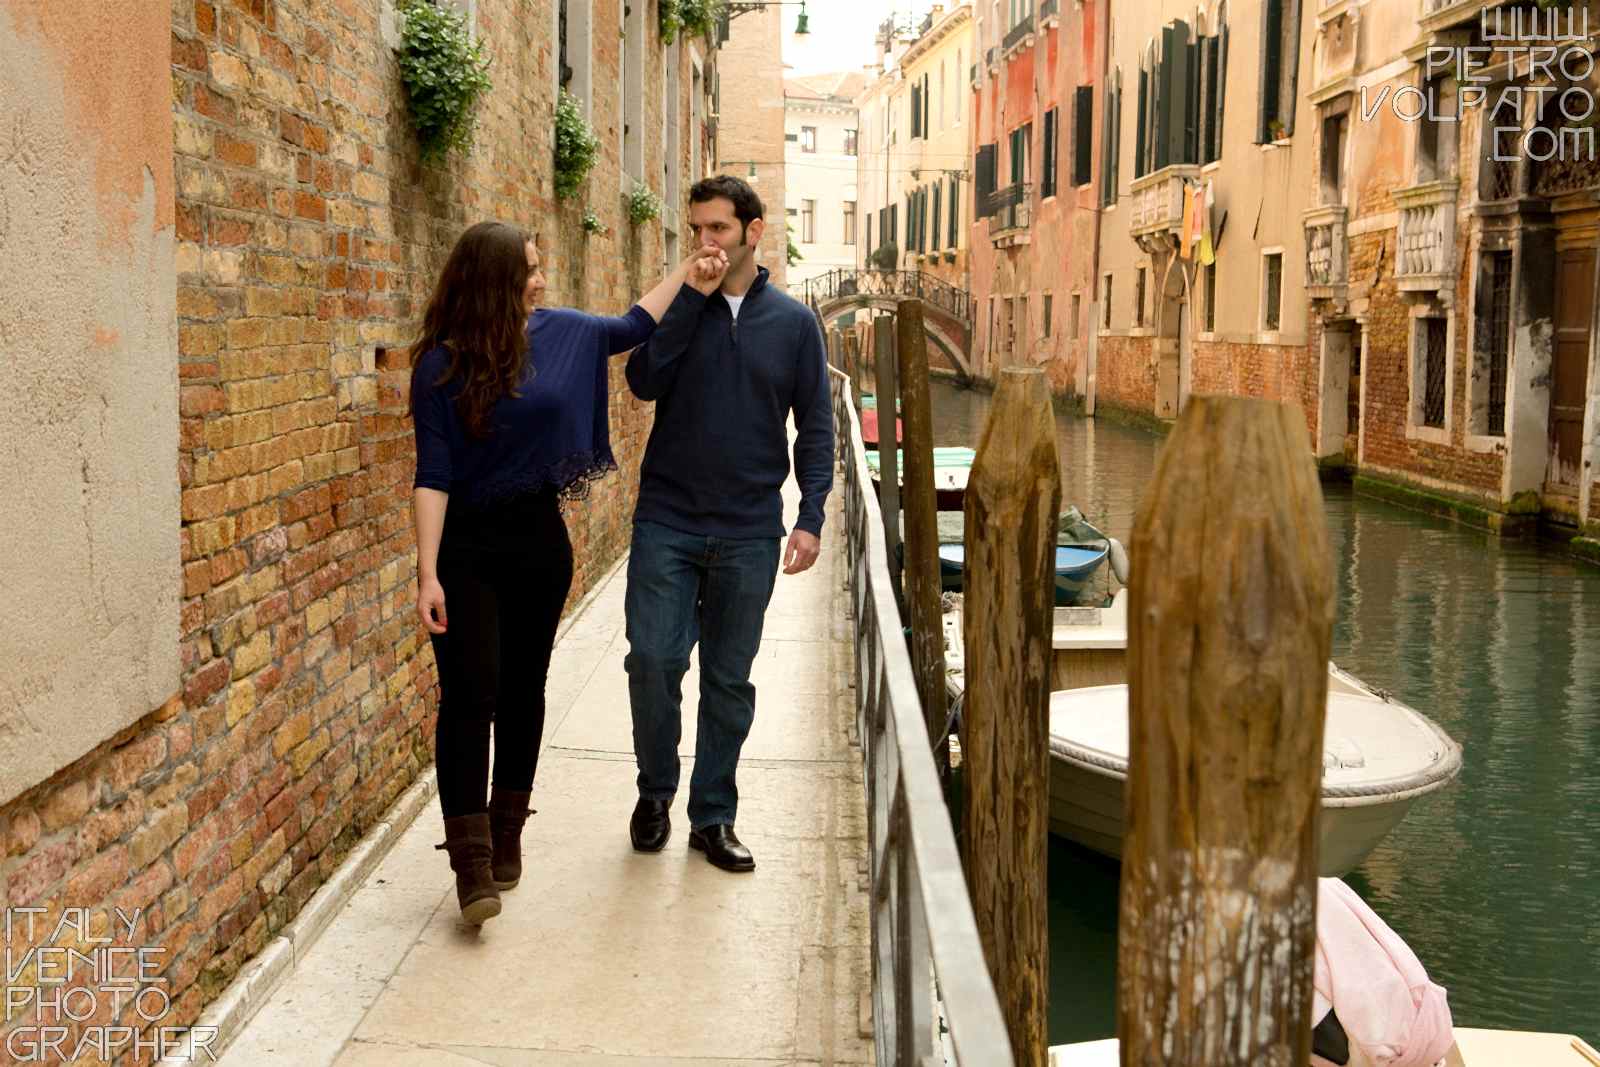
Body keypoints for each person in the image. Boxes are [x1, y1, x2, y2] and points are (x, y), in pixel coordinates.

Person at [410, 221, 726, 924]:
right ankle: (469, 871)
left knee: (524, 690)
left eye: (539, 264)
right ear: (493, 277)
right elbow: (431, 474)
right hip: (463, 547)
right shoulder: (438, 364)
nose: (540, 278)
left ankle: (505, 834)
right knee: (469, 697)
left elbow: (633, 324)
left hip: (538, 544)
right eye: (527, 268)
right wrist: (426, 571)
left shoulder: (563, 332)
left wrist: (689, 270)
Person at [623, 175, 835, 873]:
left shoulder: (796, 324)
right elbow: (643, 380)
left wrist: (809, 515)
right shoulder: (682, 304)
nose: (706, 243)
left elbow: (816, 425)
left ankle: (712, 816)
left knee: (728, 680)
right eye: (697, 231)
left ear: (753, 231)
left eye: (718, 229)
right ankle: (655, 790)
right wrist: (692, 297)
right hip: (668, 519)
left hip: (750, 529)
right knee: (653, 660)